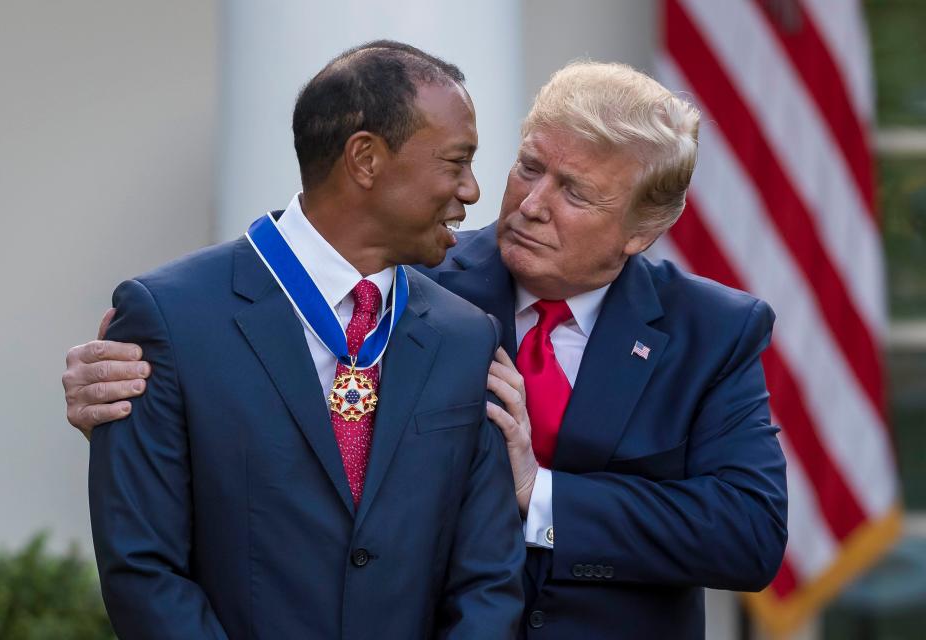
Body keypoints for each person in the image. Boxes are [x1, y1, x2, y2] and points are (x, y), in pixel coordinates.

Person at [64, 60, 788, 639]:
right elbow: (247, 345)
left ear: (642, 229)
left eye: (575, 191)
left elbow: (749, 534)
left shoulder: (713, 332)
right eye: (530, 167)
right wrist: (123, 382)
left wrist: (540, 495)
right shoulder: (414, 276)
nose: (529, 203)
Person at [74, 41, 526, 640]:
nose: (472, 190)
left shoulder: (466, 336)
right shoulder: (170, 318)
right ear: (364, 159)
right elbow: (143, 567)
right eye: (455, 162)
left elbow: (488, 582)